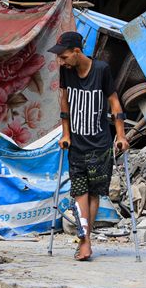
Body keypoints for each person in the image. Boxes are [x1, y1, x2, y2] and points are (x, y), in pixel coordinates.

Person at [48, 31, 129, 261]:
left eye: (63, 57)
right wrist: (66, 132)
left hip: (99, 144)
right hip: (77, 144)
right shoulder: (67, 71)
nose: (61, 62)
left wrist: (121, 135)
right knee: (79, 191)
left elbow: (114, 102)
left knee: (93, 193)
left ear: (76, 52)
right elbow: (64, 99)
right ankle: (85, 241)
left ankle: (86, 239)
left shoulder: (101, 70)